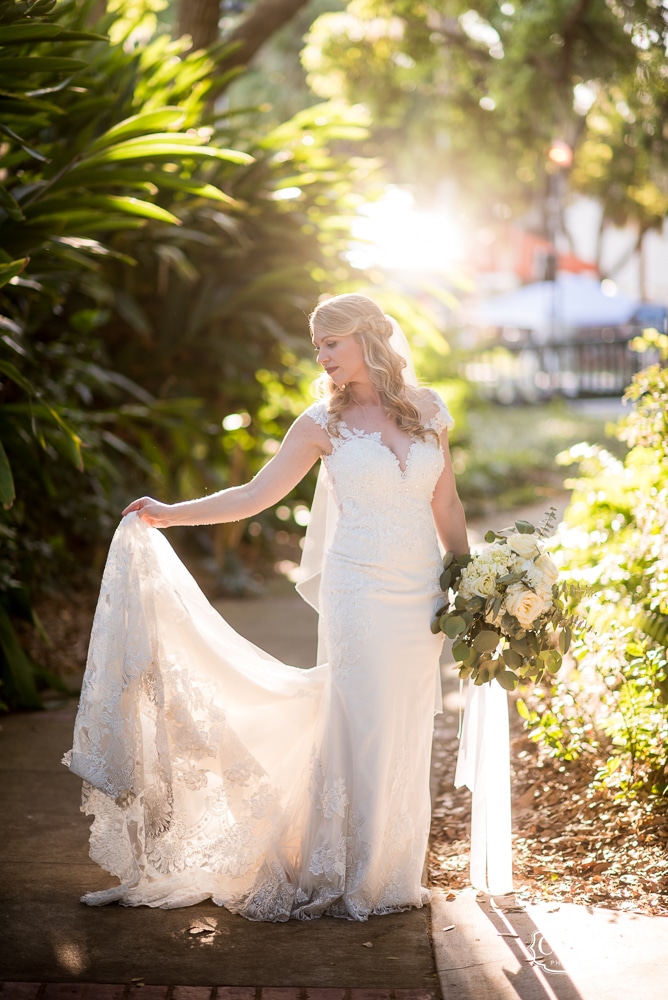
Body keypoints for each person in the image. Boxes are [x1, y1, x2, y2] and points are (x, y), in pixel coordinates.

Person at [64, 293, 470, 921]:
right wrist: (170, 514)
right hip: (357, 590)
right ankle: (345, 872)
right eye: (319, 347)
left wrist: (465, 576)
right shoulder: (319, 424)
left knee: (406, 724)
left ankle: (390, 873)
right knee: (362, 718)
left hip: (420, 595)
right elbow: (256, 495)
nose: (323, 357)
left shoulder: (429, 411)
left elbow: (446, 505)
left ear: (367, 339)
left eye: (331, 343)